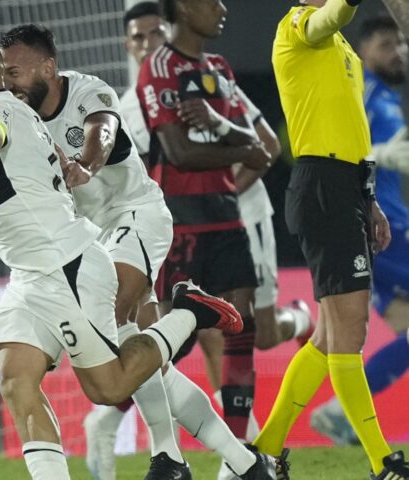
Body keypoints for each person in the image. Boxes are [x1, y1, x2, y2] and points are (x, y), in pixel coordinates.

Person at [0, 37, 245, 480]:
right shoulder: (26, 115)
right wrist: (9, 238)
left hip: (71, 264)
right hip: (33, 270)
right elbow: (39, 190)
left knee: (110, 385)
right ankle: (197, 456)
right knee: (16, 378)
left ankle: (189, 315)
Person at [0, 23, 274, 480]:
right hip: (81, 238)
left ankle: (171, 442)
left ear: (47, 66)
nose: (9, 83)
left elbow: (102, 133)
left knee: (115, 313)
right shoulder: (16, 116)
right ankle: (241, 462)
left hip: (135, 214)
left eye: (15, 72)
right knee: (136, 353)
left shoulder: (89, 91)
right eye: (4, 74)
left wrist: (85, 165)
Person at [252, 1, 409, 478]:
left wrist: (370, 199)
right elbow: (331, 16)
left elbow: (352, 129)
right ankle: (383, 462)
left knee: (328, 336)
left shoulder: (343, 50)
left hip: (346, 189)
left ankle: (264, 449)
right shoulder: (299, 27)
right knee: (348, 333)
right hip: (320, 186)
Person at [139, 0, 271, 447]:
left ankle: (239, 454)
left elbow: (262, 147)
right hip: (181, 222)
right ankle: (158, 444)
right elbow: (179, 152)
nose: (222, 8)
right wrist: (238, 145)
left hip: (227, 216)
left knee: (242, 327)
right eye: (211, 1)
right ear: (184, 6)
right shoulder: (160, 68)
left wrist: (218, 123)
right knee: (176, 341)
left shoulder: (218, 66)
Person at [309, 14, 409, 448]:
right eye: (387, 45)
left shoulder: (385, 95)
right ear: (365, 50)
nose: (398, 53)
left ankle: (338, 412)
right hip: (381, 225)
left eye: (401, 44)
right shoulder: (362, 90)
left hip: (388, 223)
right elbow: (336, 147)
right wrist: (381, 154)